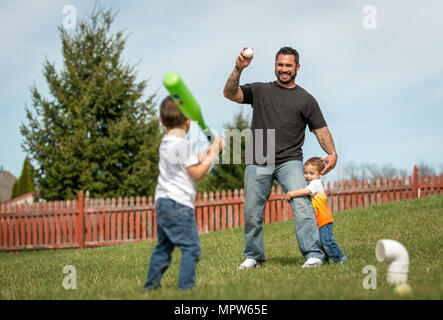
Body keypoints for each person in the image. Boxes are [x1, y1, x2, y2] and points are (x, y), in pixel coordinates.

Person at [223, 46, 338, 269]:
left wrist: (332, 153)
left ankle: (314, 255)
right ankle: (254, 256)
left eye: (288, 65)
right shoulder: (260, 90)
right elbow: (229, 93)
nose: (284, 69)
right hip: (258, 158)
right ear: (275, 66)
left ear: (297, 67)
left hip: (290, 160)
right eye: (280, 65)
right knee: (251, 211)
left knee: (301, 203)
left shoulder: (306, 99)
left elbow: (320, 129)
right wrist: (238, 68)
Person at [143, 96, 224, 290]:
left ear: (162, 121)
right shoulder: (182, 145)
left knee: (163, 247)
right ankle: (186, 289)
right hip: (178, 205)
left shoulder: (167, 143)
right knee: (191, 248)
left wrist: (209, 149)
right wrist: (213, 155)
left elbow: (190, 159)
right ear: (188, 121)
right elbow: (195, 172)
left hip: (163, 203)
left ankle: (151, 286)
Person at [285, 157, 348, 264]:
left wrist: (291, 194)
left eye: (311, 173)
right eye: (305, 173)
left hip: (324, 218)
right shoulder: (311, 183)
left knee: (326, 241)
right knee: (320, 242)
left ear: (320, 174)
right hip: (318, 219)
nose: (308, 175)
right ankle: (324, 260)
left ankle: (340, 259)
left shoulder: (316, 183)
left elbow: (306, 191)